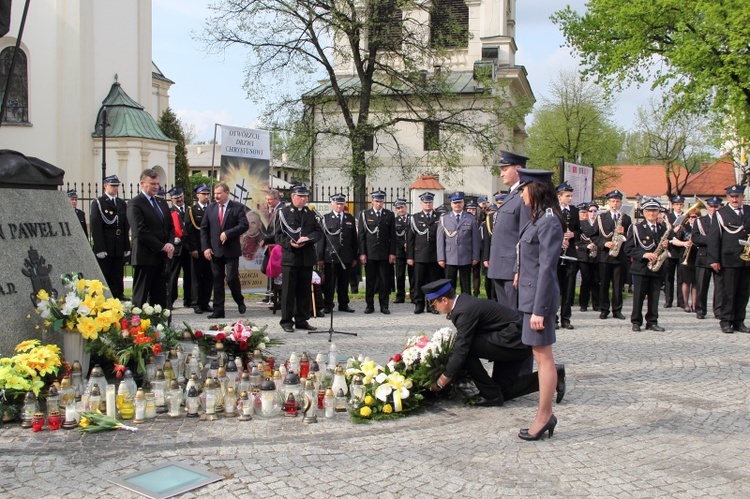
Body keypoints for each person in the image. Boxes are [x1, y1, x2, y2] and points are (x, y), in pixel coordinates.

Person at [424, 279, 566, 407]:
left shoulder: (464, 311)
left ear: (444, 300)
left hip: (513, 344)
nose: (433, 307)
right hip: (512, 342)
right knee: (504, 392)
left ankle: (489, 394)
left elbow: (462, 348)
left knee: (465, 350)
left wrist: (443, 379)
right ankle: (555, 374)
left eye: (433, 303)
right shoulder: (463, 304)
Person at [514, 168, 564, 441]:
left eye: (524, 188)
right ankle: (545, 414)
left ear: (536, 189)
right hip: (530, 297)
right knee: (539, 355)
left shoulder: (549, 221)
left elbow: (547, 268)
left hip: (538, 301)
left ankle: (544, 416)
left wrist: (539, 310)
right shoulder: (536, 219)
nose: (521, 193)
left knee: (544, 358)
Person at [275, 185, 322, 331]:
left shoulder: (310, 213)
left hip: (306, 256)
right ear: (293, 197)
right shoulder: (283, 213)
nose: (304, 199)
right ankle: (287, 321)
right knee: (288, 291)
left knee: (304, 291)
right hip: (291, 257)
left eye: (306, 196)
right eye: (301, 196)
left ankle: (302, 319)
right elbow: (278, 235)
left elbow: (318, 231)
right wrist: (289, 243)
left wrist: (309, 239)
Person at [487, 151, 530, 309]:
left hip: (511, 270)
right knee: (507, 317)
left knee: (515, 317)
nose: (501, 174)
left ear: (518, 169)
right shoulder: (511, 195)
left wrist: (518, 269)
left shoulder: (523, 195)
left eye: (505, 169)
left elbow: (524, 236)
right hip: (500, 267)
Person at [126, 169, 175, 308]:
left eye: (157, 184)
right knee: (141, 297)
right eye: (152, 183)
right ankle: (137, 326)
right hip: (145, 257)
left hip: (161, 257)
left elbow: (170, 227)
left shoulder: (161, 203)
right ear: (142, 183)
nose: (156, 187)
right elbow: (140, 230)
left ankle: (159, 324)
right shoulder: (135, 203)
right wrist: (161, 246)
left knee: (159, 296)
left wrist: (170, 243)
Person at [200, 182, 249, 319]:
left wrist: (229, 233)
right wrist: (206, 247)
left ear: (227, 193)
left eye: (219, 193)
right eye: (215, 193)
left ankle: (239, 300)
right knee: (217, 279)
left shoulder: (237, 207)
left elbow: (244, 225)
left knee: (232, 278)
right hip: (215, 250)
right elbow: (204, 229)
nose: (216, 196)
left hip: (231, 250)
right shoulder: (210, 208)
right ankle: (218, 310)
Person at [707, 184, 750, 334]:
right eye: (732, 196)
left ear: (742, 197)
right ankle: (726, 321)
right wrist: (714, 259)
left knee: (743, 292)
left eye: (737, 196)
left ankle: (739, 321)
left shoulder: (748, 211)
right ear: (728, 197)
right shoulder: (721, 213)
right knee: (729, 292)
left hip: (747, 259)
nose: (735, 199)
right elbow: (713, 238)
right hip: (729, 258)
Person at [624, 198, 668, 332]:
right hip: (641, 267)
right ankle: (636, 322)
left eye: (655, 210)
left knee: (654, 297)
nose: (652, 213)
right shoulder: (636, 228)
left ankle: (652, 321)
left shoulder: (662, 228)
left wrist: (667, 245)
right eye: (648, 210)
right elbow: (628, 249)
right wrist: (644, 254)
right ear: (643, 212)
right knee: (638, 297)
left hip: (657, 268)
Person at [316, 193, 358, 314]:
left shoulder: (349, 218)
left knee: (344, 282)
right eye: (337, 203)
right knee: (329, 282)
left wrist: (355, 256)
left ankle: (343, 303)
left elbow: (353, 239)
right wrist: (320, 257)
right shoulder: (325, 219)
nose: (339, 206)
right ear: (332, 204)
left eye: (341, 203)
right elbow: (321, 240)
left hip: (346, 256)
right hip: (330, 256)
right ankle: (328, 304)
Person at [90, 175, 129, 300]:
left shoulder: (121, 203)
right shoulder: (99, 203)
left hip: (118, 243)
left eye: (117, 186)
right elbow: (96, 226)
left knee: (118, 270)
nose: (115, 188)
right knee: (105, 270)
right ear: (105, 186)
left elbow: (125, 226)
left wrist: (126, 246)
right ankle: (104, 295)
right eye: (113, 185)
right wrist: (99, 248)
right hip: (106, 242)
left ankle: (118, 293)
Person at [358, 190, 397, 314]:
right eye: (376, 201)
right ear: (372, 201)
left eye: (380, 201)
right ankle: (369, 305)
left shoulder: (389, 215)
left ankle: (384, 305)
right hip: (370, 253)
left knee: (384, 281)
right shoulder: (365, 215)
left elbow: (393, 236)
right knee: (370, 280)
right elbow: (361, 236)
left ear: (383, 202)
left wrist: (392, 253)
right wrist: (362, 253)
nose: (378, 204)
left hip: (384, 253)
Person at [595, 189, 631, 320]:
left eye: (617, 201)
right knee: (604, 284)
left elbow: (631, 236)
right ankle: (604, 309)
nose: (615, 204)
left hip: (620, 256)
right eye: (612, 201)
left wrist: (624, 232)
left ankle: (617, 309)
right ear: (608, 202)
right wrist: (604, 243)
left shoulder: (626, 218)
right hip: (605, 255)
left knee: (618, 285)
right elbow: (595, 236)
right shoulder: (601, 217)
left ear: (621, 202)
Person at [437, 192, 481, 296]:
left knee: (465, 285)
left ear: (463, 203)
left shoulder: (470, 218)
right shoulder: (445, 218)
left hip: (465, 256)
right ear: (451, 204)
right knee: (449, 285)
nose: (457, 205)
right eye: (455, 202)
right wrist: (441, 258)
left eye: (459, 202)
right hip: (449, 257)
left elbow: (475, 239)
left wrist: (475, 256)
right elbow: (440, 240)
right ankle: (450, 309)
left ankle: (466, 308)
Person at [407, 192, 441, 314]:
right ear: (421, 203)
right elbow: (410, 239)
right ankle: (419, 304)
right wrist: (410, 256)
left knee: (433, 282)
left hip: (434, 255)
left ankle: (432, 305)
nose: (428, 204)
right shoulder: (415, 218)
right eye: (425, 202)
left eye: (430, 202)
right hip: (419, 255)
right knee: (419, 282)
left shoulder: (439, 217)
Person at [691, 196, 723, 320]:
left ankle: (718, 310)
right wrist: (712, 240)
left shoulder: (722, 220)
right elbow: (695, 238)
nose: (713, 209)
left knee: (720, 287)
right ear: (707, 207)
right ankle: (700, 309)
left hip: (719, 257)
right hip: (703, 257)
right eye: (711, 206)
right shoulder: (700, 221)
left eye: (716, 207)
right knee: (701, 285)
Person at [184, 185, 213, 314]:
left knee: (208, 276)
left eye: (208, 194)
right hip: (197, 248)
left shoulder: (212, 208)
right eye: (203, 194)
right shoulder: (192, 210)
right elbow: (190, 231)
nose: (206, 196)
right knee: (196, 277)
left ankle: (205, 302)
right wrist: (193, 248)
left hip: (209, 248)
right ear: (197, 195)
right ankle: (195, 303)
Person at [555, 182, 580, 329]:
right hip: (556, 253)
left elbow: (580, 231)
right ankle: (554, 318)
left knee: (568, 288)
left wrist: (573, 234)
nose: (570, 199)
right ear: (559, 197)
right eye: (567, 196)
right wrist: (560, 239)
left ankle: (566, 318)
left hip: (570, 253)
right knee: (555, 288)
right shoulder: (552, 210)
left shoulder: (575, 211)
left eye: (571, 196)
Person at [167, 187, 192, 308]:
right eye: (176, 198)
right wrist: (172, 239)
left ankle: (189, 299)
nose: (179, 199)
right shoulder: (169, 211)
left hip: (188, 248)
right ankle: (171, 299)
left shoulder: (190, 210)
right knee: (173, 276)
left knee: (190, 275)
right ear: (172, 199)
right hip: (176, 249)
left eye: (181, 196)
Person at [576, 202, 600, 312]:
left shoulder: (600, 223)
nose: (593, 213)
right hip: (584, 255)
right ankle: (583, 304)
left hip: (596, 255)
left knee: (596, 280)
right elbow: (577, 240)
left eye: (595, 211)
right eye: (591, 211)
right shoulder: (581, 223)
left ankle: (596, 303)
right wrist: (586, 245)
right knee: (586, 280)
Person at [673, 211, 698, 312]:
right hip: (685, 255)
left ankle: (695, 305)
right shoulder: (684, 227)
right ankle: (686, 303)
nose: (693, 219)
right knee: (686, 281)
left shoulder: (700, 227)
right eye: (691, 217)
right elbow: (674, 239)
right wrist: (684, 243)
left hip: (697, 255)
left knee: (696, 282)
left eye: (695, 217)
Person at [665, 196, 686, 309]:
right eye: (677, 204)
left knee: (681, 277)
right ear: (672, 205)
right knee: (669, 277)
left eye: (680, 204)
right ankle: (668, 300)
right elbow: (665, 233)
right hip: (670, 250)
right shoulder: (668, 217)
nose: (679, 206)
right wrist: (674, 230)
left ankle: (681, 301)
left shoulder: (685, 217)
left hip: (682, 250)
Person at [393, 198, 412, 303]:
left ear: (406, 207)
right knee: (400, 275)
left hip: (411, 251)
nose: (400, 210)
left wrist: (409, 244)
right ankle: (400, 296)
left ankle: (413, 294)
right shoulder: (394, 221)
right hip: (399, 251)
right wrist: (403, 244)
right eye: (398, 208)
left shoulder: (413, 219)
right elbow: (393, 237)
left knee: (413, 274)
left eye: (402, 207)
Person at [465, 200, 482, 297]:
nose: (471, 211)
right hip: (466, 250)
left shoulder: (480, 221)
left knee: (476, 274)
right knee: (467, 274)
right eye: (469, 209)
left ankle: (476, 293)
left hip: (477, 250)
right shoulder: (465, 219)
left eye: (473, 209)